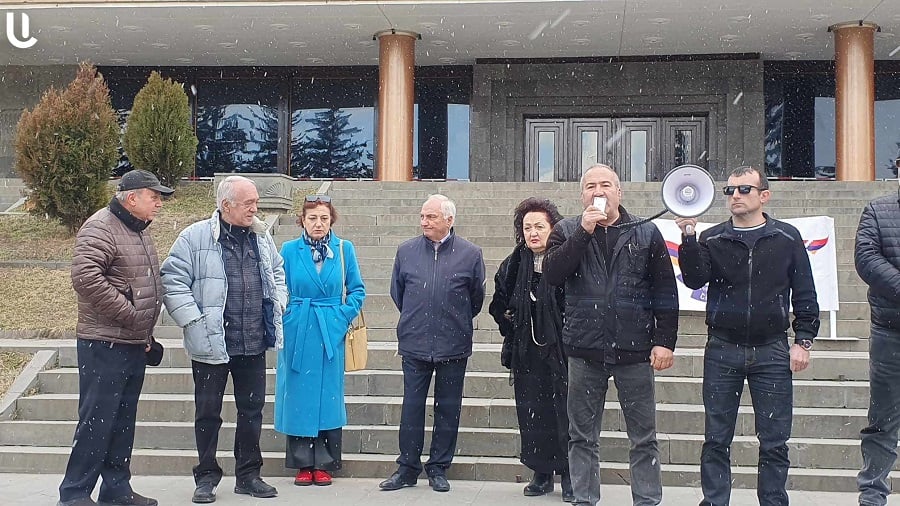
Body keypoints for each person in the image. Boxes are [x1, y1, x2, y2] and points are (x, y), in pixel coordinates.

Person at [676, 165, 819, 506]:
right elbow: (694, 279)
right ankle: (715, 501)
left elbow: (805, 292)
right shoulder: (712, 238)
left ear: (764, 195)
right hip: (722, 348)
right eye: (730, 190)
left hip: (772, 349)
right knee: (716, 438)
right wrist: (688, 239)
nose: (735, 196)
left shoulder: (786, 237)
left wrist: (803, 340)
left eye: (744, 189)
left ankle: (773, 501)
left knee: (774, 441)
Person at [543, 164, 678, 506]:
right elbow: (553, 274)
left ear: (619, 192)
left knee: (643, 436)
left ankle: (646, 499)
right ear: (582, 195)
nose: (598, 191)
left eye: (606, 184)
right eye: (590, 186)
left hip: (635, 349)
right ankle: (584, 498)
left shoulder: (645, 232)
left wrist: (664, 341)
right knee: (582, 436)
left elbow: (665, 289)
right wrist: (583, 233)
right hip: (584, 349)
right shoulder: (566, 230)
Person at [161, 175, 287, 504]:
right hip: (211, 343)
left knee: (252, 411)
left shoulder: (261, 236)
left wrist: (279, 300)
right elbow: (172, 279)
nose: (255, 209)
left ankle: (248, 475)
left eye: (256, 202)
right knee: (207, 414)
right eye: (249, 203)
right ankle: (206, 478)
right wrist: (194, 321)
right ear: (226, 205)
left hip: (253, 341)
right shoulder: (194, 237)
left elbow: (277, 271)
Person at [58, 169, 173, 506]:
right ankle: (74, 493)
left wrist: (144, 332)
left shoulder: (137, 229)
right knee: (97, 420)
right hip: (104, 344)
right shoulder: (101, 226)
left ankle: (116, 488)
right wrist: (131, 315)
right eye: (154, 197)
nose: (159, 204)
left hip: (132, 342)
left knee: (122, 421)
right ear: (132, 198)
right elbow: (85, 277)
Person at [379, 194, 486, 493]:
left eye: (431, 217)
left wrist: (451, 320)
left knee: (448, 408)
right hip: (415, 342)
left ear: (449, 220)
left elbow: (475, 299)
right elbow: (398, 292)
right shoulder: (406, 251)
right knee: (412, 407)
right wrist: (418, 319)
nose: (424, 222)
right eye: (422, 216)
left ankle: (438, 467)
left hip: (454, 343)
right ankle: (407, 468)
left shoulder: (470, 254)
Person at [274, 195, 366, 487]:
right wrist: (287, 316)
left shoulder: (343, 249)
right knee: (298, 395)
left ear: (331, 221)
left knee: (329, 395)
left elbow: (357, 290)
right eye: (312, 218)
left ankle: (325, 462)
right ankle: (302, 462)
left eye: (324, 218)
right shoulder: (289, 250)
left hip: (330, 329)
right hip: (298, 328)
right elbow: (278, 286)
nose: (318, 224)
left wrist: (341, 316)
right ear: (302, 220)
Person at [489, 197, 572, 501]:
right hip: (527, 352)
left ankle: (570, 473)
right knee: (533, 413)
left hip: (562, 351)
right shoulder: (513, 264)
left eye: (539, 226)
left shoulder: (565, 259)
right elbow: (497, 303)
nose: (533, 233)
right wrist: (511, 317)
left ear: (553, 228)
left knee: (565, 412)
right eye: (527, 228)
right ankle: (541, 473)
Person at [855, 187, 900, 506]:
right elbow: (867, 259)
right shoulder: (877, 210)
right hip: (890, 333)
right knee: (883, 420)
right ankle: (872, 495)